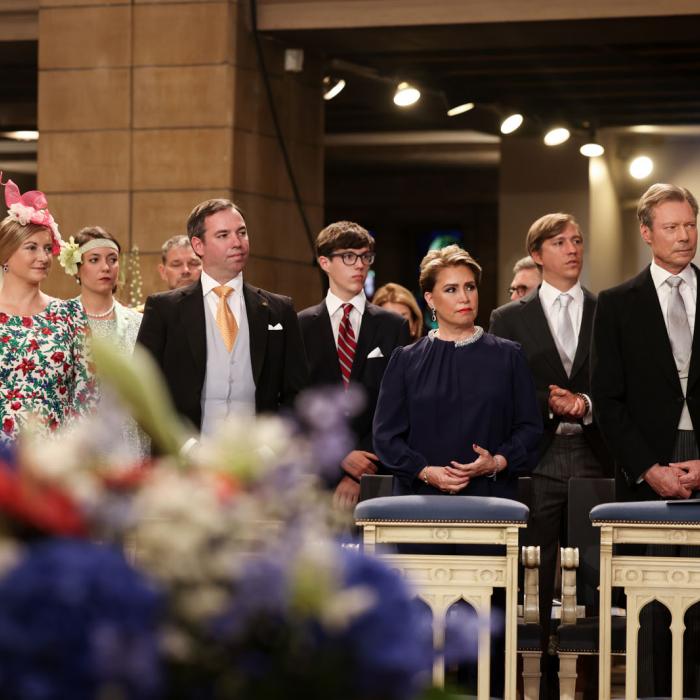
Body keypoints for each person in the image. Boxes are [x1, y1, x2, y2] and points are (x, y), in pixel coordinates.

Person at [591, 183, 700, 697]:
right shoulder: (616, 304)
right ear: (646, 232)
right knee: (653, 604)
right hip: (647, 469)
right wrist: (649, 469)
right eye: (672, 227)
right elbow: (607, 399)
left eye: (691, 225)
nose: (684, 236)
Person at [489, 213, 611, 669]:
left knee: (597, 572)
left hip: (595, 451)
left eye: (578, 241)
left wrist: (584, 402)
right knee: (533, 572)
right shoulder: (508, 318)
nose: (573, 249)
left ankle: (593, 673)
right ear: (538, 255)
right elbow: (502, 388)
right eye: (560, 242)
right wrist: (549, 403)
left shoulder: (608, 309)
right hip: (537, 454)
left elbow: (624, 382)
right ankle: (533, 668)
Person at [374, 244, 541, 500]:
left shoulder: (509, 356)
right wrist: (425, 471)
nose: (464, 297)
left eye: (470, 287)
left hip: (491, 501)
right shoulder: (406, 361)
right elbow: (386, 437)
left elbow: (530, 428)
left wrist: (496, 462)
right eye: (451, 289)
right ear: (430, 299)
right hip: (420, 502)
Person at [137, 198, 308, 435]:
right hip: (183, 460)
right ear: (199, 245)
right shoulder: (164, 309)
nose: (237, 242)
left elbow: (298, 395)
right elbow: (141, 392)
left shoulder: (279, 310)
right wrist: (184, 449)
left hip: (260, 460)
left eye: (242, 233)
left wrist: (270, 449)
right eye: (223, 235)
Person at [298, 222, 411, 510]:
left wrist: (362, 462)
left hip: (376, 469)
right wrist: (340, 457)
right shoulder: (300, 325)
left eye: (365, 257)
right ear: (325, 262)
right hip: (315, 472)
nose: (359, 265)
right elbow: (294, 401)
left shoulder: (392, 325)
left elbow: (398, 403)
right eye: (349, 256)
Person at [0, 177, 95, 446]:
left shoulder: (71, 315)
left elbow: (88, 392)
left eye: (46, 248)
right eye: (31, 248)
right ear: (6, 255)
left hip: (55, 460)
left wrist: (66, 454)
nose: (43, 257)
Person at [59, 225, 147, 458]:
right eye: (94, 260)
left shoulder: (139, 323)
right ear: (76, 269)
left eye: (112, 259)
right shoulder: (62, 319)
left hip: (129, 436)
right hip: (78, 440)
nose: (106, 267)